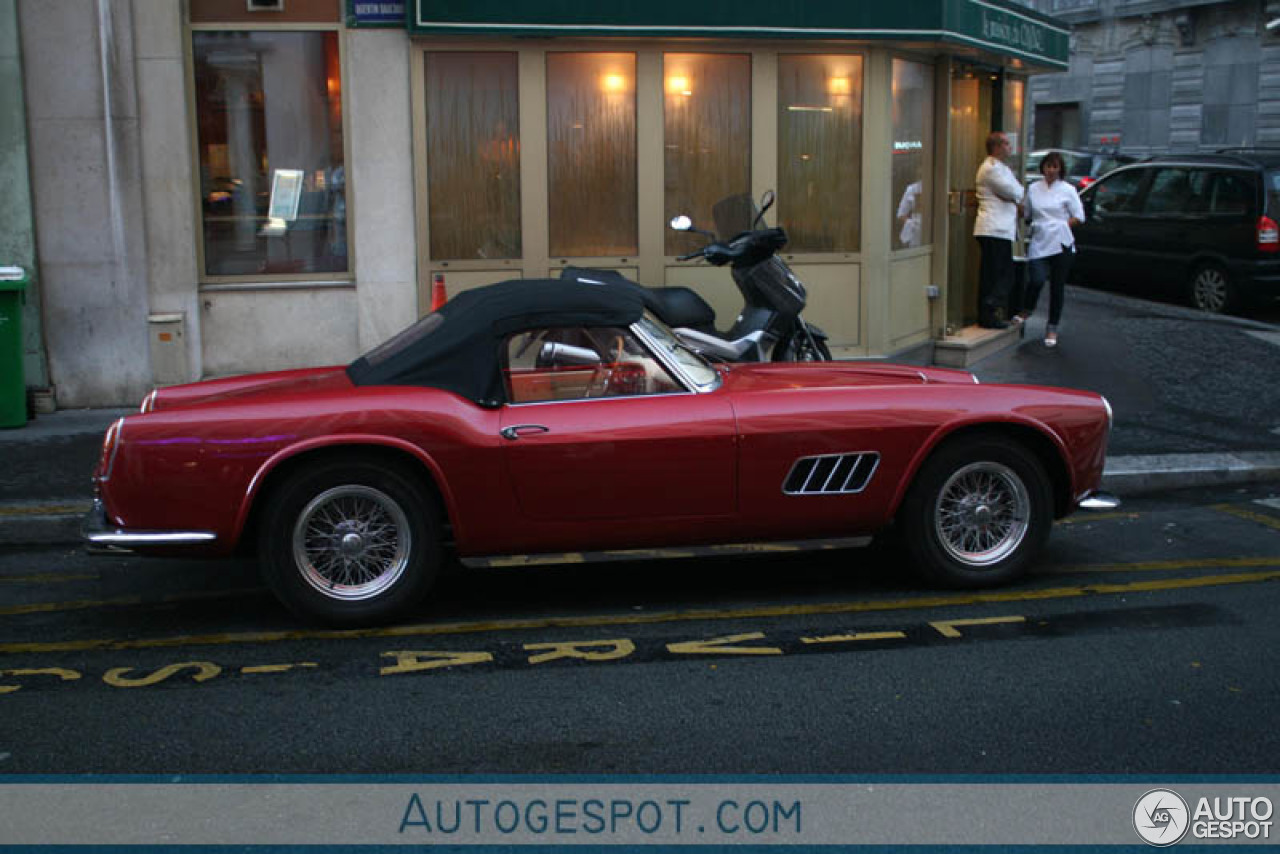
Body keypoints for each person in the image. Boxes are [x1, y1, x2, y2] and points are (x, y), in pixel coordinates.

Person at [1017, 150, 1085, 348]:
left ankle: (1052, 326)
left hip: (1061, 241)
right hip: (1040, 238)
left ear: (1060, 169)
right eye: (1048, 166)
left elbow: (1079, 215)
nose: (1051, 170)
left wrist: (1063, 226)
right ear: (1043, 168)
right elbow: (1027, 213)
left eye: (1055, 167)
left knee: (1057, 286)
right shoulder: (1034, 188)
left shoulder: (1068, 189)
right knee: (1036, 278)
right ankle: (1027, 309)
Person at [973, 131, 1025, 329]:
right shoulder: (990, 169)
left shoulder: (1003, 168)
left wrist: (1014, 197)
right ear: (996, 147)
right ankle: (988, 309)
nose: (1009, 147)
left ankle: (990, 310)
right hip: (992, 228)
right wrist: (1013, 198)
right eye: (1005, 144)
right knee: (997, 274)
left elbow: (1018, 192)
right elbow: (1015, 191)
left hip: (1002, 229)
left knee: (1001, 272)